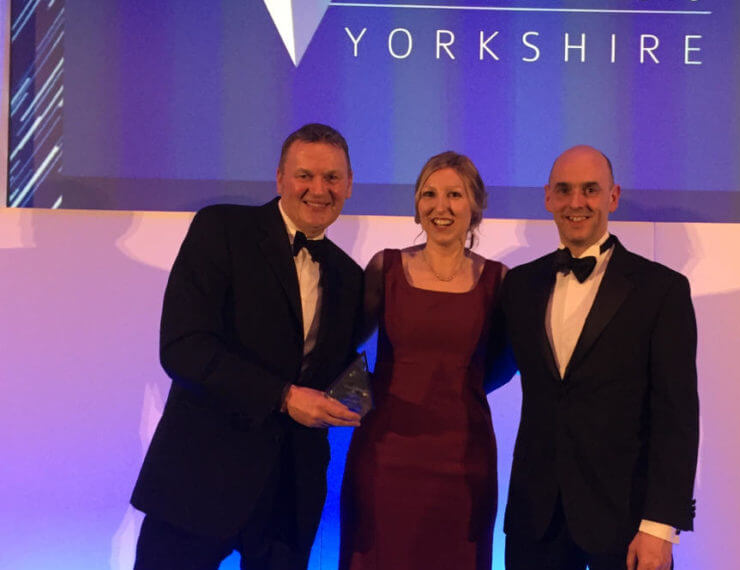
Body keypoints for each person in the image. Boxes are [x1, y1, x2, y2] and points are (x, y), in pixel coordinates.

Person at [131, 123, 365, 569]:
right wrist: (284, 396)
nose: (319, 189)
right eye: (305, 176)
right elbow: (183, 347)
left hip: (289, 495)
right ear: (280, 179)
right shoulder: (222, 228)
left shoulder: (351, 277)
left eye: (332, 178)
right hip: (199, 477)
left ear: (349, 185)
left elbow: (339, 374)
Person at [500, 145, 699, 570]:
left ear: (613, 196)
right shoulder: (519, 286)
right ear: (548, 197)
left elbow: (677, 417)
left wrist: (660, 525)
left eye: (590, 190)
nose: (576, 202)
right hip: (534, 520)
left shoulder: (661, 290)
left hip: (626, 522)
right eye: (565, 190)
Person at [339, 151, 511, 570]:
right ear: (417, 206)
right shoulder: (386, 267)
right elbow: (344, 348)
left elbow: (506, 364)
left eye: (455, 194)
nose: (441, 206)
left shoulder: (499, 281)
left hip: (464, 464)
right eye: (429, 194)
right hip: (385, 457)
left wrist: (459, 393)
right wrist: (361, 403)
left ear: (475, 207)